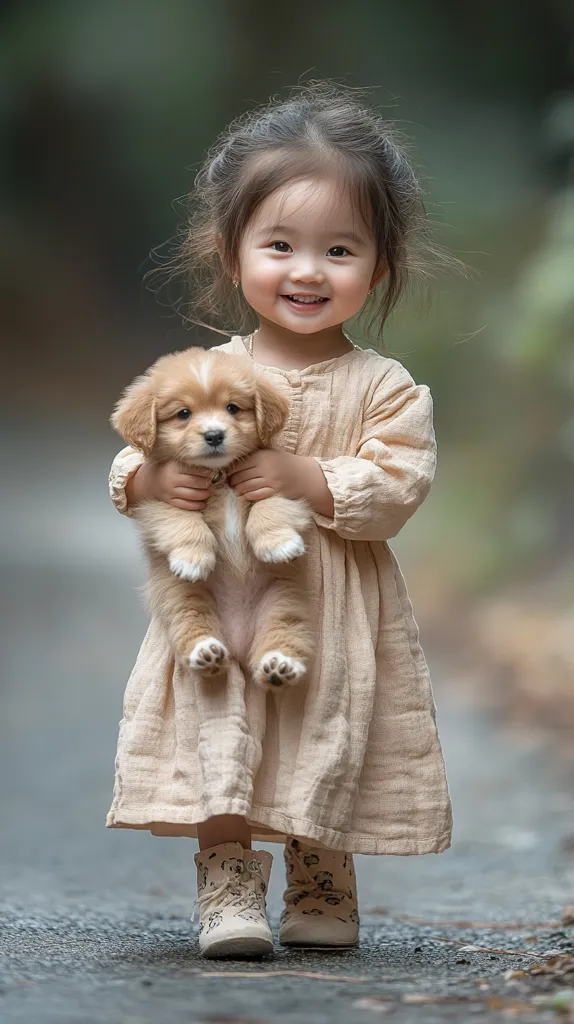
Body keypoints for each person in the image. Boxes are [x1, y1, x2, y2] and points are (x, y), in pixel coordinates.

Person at [107, 82, 452, 959]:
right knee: (217, 726)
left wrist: (309, 475)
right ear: (232, 254)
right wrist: (147, 481)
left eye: (339, 249)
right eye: (280, 245)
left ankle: (321, 883)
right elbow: (139, 447)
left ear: (379, 263)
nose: (308, 270)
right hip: (215, 595)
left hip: (330, 605)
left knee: (324, 733)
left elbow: (399, 486)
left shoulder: (385, 386)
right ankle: (228, 888)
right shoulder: (205, 369)